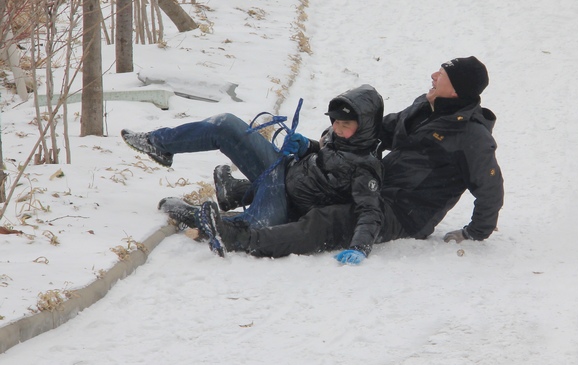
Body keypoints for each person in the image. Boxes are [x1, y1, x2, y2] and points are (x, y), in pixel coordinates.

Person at [204, 56, 504, 259]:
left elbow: (490, 189)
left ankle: (241, 238)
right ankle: (235, 195)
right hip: (375, 185)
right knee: (312, 176)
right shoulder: (425, 108)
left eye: (443, 74)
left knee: (328, 220)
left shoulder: (473, 138)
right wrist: (326, 140)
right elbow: (379, 131)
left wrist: (473, 234)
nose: (434, 75)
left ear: (456, 91)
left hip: (403, 213)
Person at [121, 84, 384, 264]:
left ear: (364, 127)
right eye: (335, 121)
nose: (337, 128)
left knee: (252, 227)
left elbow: (370, 210)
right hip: (282, 172)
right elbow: (327, 157)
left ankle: (193, 215)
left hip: (286, 207)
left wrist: (360, 247)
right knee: (226, 125)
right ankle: (158, 144)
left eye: (345, 124)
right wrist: (307, 146)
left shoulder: (365, 167)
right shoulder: (337, 137)